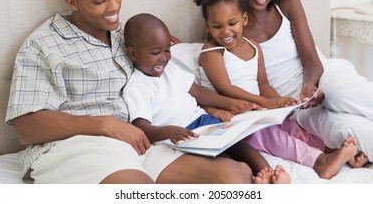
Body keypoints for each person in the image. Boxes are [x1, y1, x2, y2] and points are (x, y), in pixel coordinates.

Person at [5, 0, 262, 184]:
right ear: (71, 1)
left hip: (141, 141)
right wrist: (104, 124)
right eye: (99, 0)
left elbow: (167, 75)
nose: (114, 6)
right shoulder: (43, 45)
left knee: (235, 175)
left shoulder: (127, 34)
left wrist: (222, 105)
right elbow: (27, 127)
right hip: (79, 146)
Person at [217, 0, 373, 166]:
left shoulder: (286, 2)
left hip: (323, 76)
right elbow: (212, 58)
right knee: (355, 132)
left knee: (343, 94)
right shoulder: (229, 22)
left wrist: (311, 87)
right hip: (297, 108)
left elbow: (312, 59)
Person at [194, 0, 359, 179]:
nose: (226, 32)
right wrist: (267, 102)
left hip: (256, 109)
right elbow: (225, 88)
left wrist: (280, 103)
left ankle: (330, 152)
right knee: (269, 135)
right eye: (217, 26)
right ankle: (319, 163)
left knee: (290, 126)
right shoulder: (211, 52)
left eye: (232, 23)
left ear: (244, 19)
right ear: (208, 26)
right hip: (231, 113)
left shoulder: (253, 46)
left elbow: (262, 84)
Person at [122, 13, 292, 184]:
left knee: (237, 144)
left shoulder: (171, 69)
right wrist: (169, 131)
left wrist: (233, 103)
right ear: (133, 54)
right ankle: (256, 181)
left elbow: (198, 92)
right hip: (179, 138)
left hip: (203, 121)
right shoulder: (137, 87)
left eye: (167, 50)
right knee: (219, 157)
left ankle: (267, 173)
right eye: (156, 52)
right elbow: (141, 127)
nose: (164, 57)